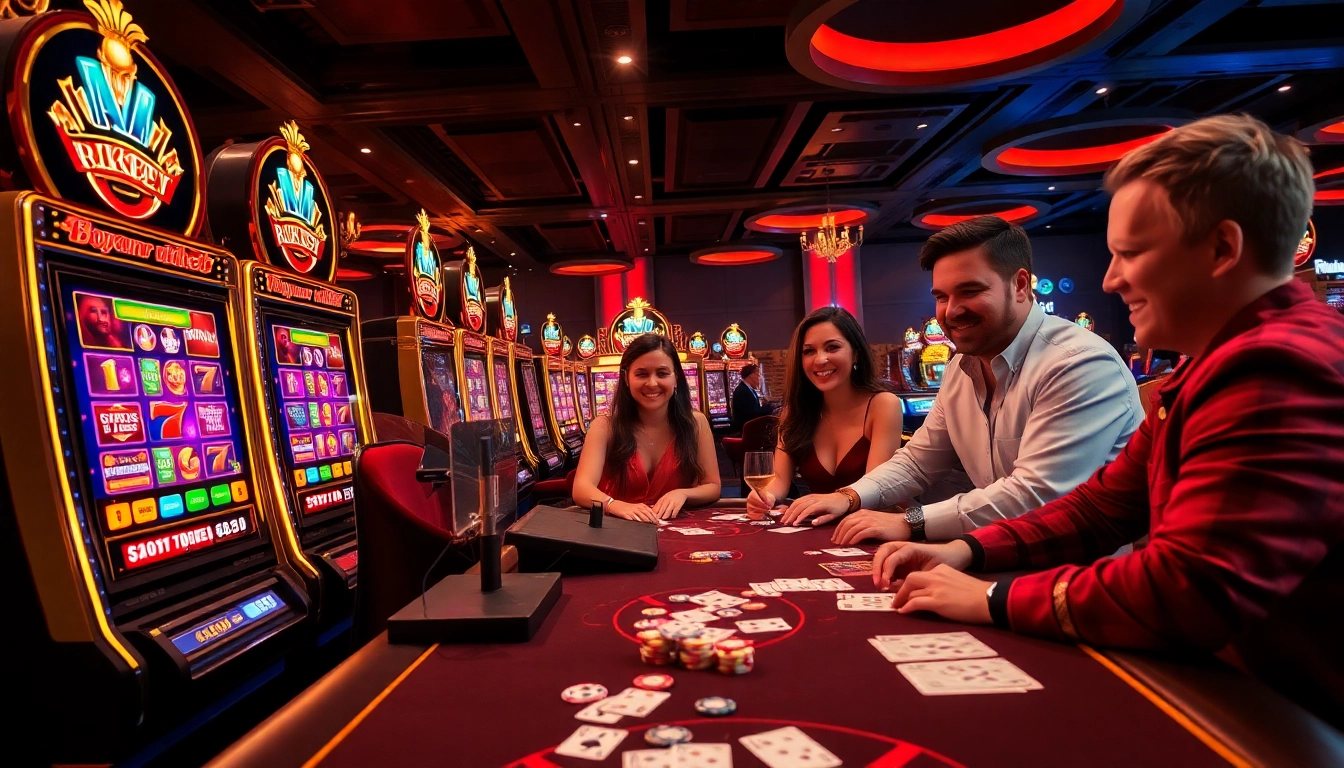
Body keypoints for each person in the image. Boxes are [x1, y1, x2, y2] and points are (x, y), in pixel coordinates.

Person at [871, 114, 1344, 728]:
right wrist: (967, 550)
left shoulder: (1275, 365)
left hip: (1302, 718)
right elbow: (1100, 508)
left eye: (1131, 253)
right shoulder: (1212, 366)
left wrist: (994, 597)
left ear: (1223, 249)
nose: (1110, 278)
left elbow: (1186, 588)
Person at [780, 216, 1142, 546]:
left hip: (1082, 574)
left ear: (1018, 285)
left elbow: (1036, 495)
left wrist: (911, 522)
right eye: (941, 296)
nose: (951, 311)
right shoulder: (960, 368)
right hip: (999, 550)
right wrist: (848, 496)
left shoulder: (1077, 363)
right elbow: (918, 463)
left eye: (969, 291)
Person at [745, 307, 902, 518]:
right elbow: (779, 479)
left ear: (855, 353)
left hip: (871, 528)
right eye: (809, 351)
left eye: (832, 348)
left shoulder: (883, 405)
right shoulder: (794, 412)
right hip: (820, 528)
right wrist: (765, 496)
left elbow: (876, 490)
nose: (820, 360)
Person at [573, 334, 721, 521]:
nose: (652, 383)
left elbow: (712, 486)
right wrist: (613, 504)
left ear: (676, 377)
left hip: (675, 529)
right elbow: (581, 489)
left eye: (662, 373)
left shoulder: (696, 423)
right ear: (627, 379)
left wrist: (682, 494)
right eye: (642, 374)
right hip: (617, 531)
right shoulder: (604, 426)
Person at [730, 363, 774, 432]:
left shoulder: (750, 390)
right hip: (747, 431)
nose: (760, 379)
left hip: (752, 428)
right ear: (751, 375)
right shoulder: (742, 391)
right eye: (758, 375)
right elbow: (751, 414)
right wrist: (769, 408)